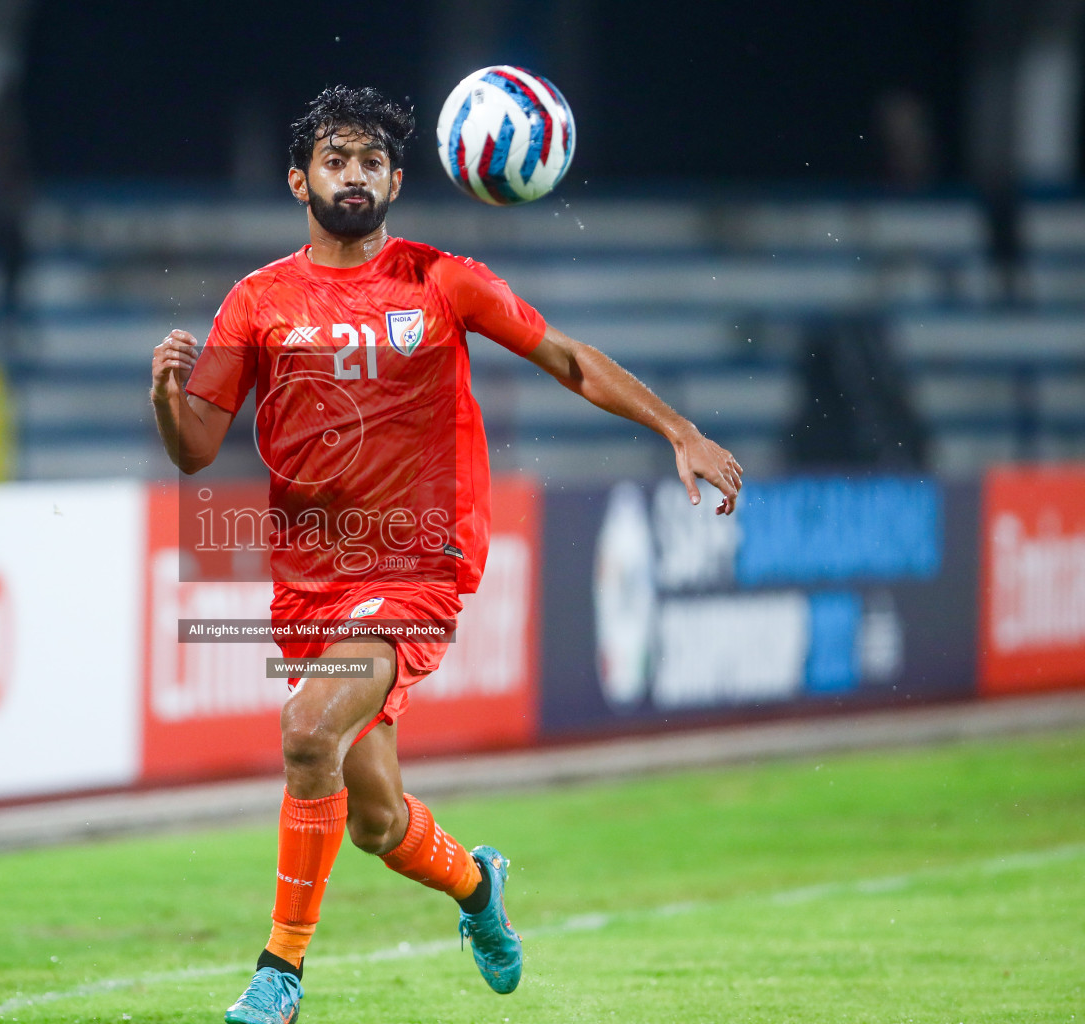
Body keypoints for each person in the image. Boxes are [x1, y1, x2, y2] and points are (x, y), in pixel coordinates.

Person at [150, 85, 742, 1024]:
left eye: (373, 162)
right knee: (377, 818)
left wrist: (678, 430)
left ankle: (281, 972)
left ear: (396, 181)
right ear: (299, 179)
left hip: (418, 565)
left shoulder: (441, 280)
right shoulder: (257, 303)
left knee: (308, 732)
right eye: (336, 161)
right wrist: (165, 396)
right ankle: (477, 884)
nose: (355, 175)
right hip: (310, 579)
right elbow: (193, 450)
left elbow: (570, 358)